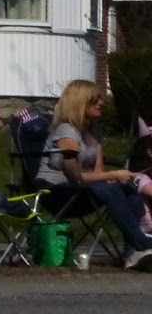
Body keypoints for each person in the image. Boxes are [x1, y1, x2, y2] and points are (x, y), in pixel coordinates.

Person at [36, 79, 152, 269]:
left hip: (80, 191)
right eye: (94, 100)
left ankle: (132, 253)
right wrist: (113, 175)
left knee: (127, 189)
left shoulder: (95, 132)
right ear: (79, 103)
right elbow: (75, 176)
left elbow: (97, 174)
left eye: (100, 99)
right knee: (111, 189)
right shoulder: (66, 131)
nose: (101, 103)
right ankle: (142, 242)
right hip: (55, 192)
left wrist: (115, 178)